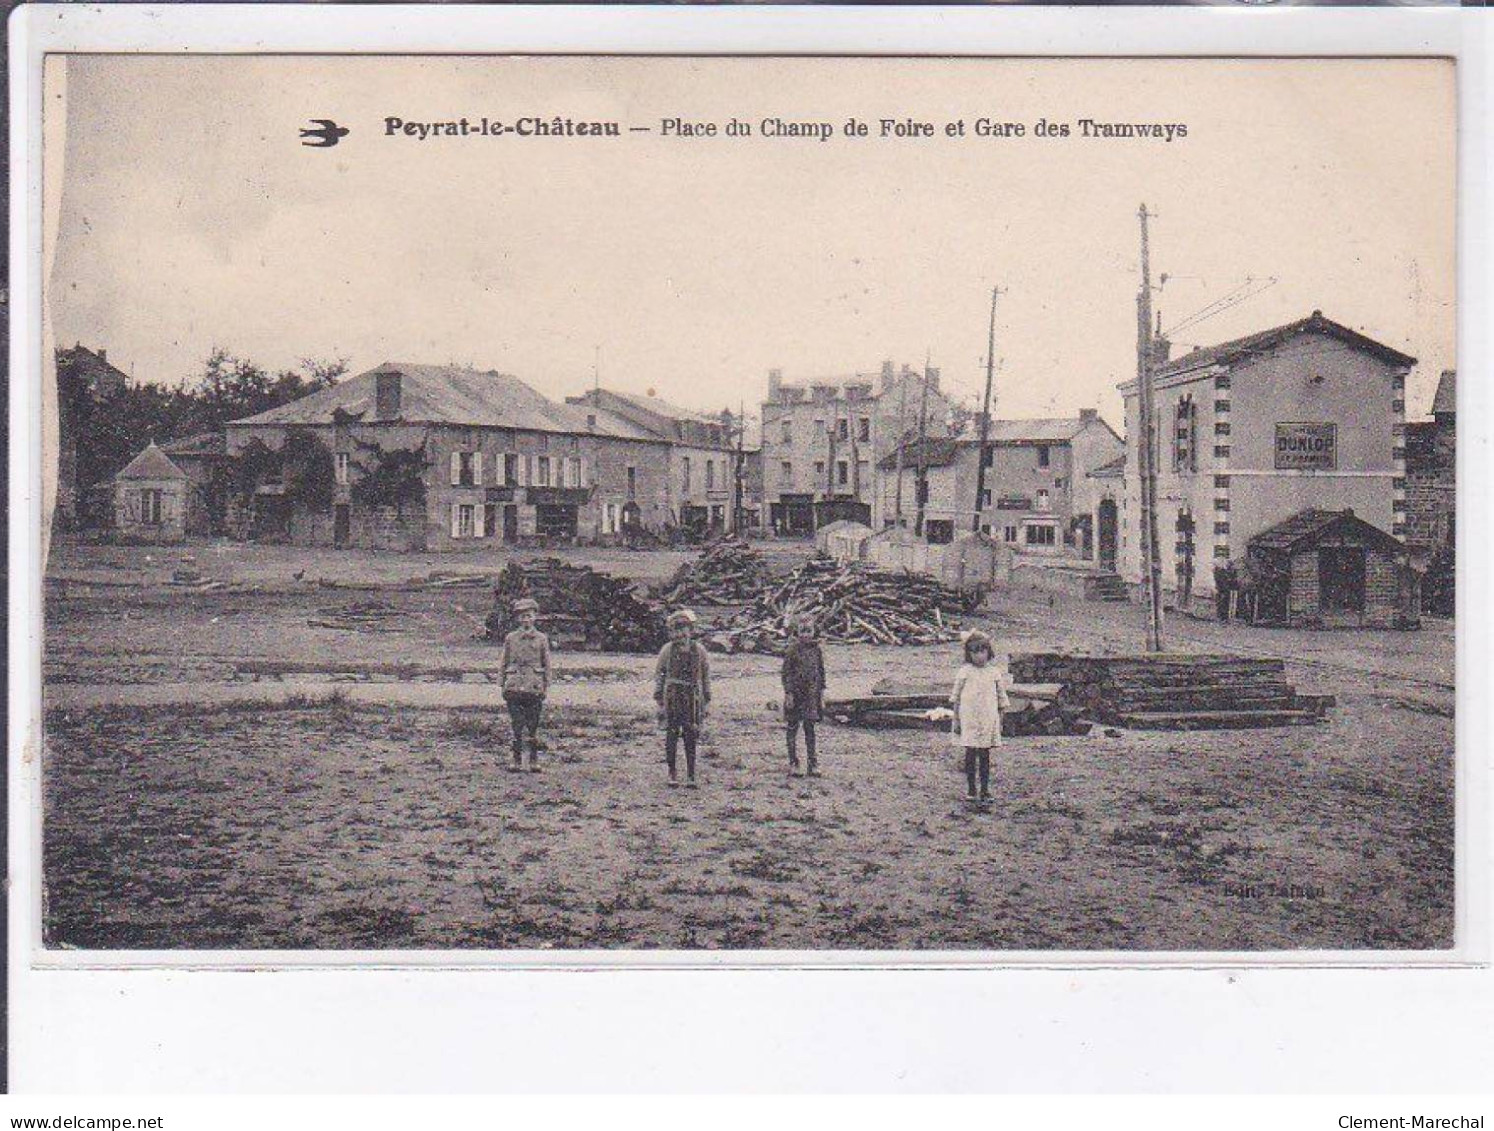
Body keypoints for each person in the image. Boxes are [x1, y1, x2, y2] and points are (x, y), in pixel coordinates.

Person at [950, 629, 1010, 806]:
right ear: (968, 654)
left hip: (987, 720)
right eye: (974, 652)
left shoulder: (994, 673)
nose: (979, 656)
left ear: (988, 652)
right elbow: (956, 697)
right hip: (969, 719)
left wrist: (1000, 721)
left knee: (985, 755)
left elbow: (1001, 698)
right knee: (970, 754)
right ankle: (971, 789)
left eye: (982, 651)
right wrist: (956, 720)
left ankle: (984, 789)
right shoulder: (965, 672)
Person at [654, 609, 711, 788]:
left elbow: (705, 675)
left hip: (692, 697)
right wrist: (659, 698)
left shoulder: (699, 650)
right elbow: (660, 674)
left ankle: (691, 774)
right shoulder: (667, 650)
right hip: (672, 696)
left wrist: (706, 697)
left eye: (683, 629)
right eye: (675, 630)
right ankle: (672, 772)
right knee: (671, 734)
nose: (680, 634)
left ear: (690, 630)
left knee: (690, 735)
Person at [498, 597, 550, 773]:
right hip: (514, 685)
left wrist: (545, 686)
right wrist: (502, 684)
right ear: (517, 619)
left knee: (533, 724)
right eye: (522, 617)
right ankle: (516, 760)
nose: (525, 620)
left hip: (534, 686)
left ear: (535, 617)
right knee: (517, 725)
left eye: (528, 616)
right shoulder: (510, 638)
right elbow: (503, 662)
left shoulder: (542, 639)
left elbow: (546, 664)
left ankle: (534, 760)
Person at [781, 612, 826, 777]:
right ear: (796, 632)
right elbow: (786, 674)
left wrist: (821, 695)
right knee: (792, 728)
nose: (806, 634)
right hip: (795, 695)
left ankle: (813, 763)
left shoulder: (817, 651)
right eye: (802, 631)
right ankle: (793, 763)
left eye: (809, 630)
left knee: (810, 729)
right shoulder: (792, 650)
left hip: (811, 696)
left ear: (814, 631)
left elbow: (821, 673)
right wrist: (788, 694)